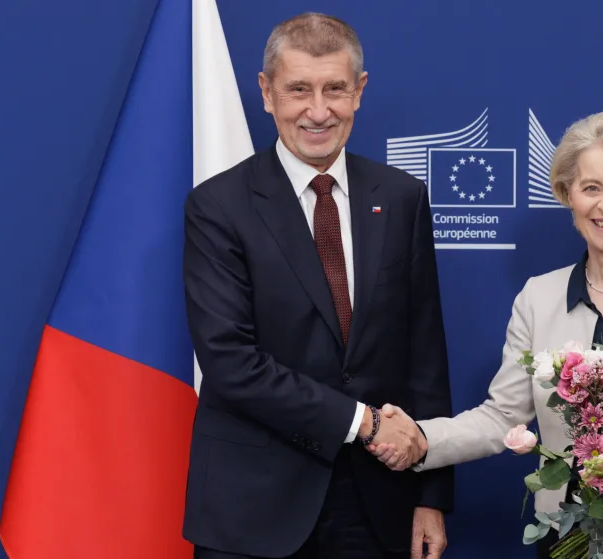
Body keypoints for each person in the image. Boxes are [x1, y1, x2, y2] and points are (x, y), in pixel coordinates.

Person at [371, 112, 603, 558]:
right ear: (568, 195)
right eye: (591, 188)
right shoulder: (537, 297)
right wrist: (419, 438)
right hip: (566, 539)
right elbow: (500, 418)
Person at [181, 13, 453, 559]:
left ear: (360, 90)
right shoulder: (218, 207)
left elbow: (424, 355)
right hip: (254, 504)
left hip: (376, 501)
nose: (318, 111)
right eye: (298, 89)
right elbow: (231, 362)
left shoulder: (402, 197)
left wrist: (431, 495)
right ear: (266, 92)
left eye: (335, 89)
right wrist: (365, 423)